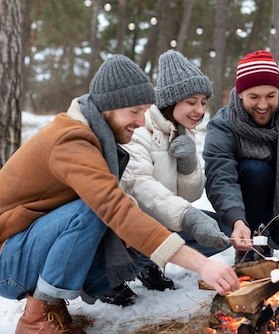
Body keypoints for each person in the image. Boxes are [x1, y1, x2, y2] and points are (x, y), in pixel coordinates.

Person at [0, 55, 240, 334]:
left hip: (25, 248)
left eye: (144, 111)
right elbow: (110, 205)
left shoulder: (97, 135)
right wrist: (202, 264)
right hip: (5, 260)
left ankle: (52, 306)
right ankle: (36, 317)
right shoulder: (71, 140)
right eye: (134, 111)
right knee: (92, 210)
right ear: (107, 109)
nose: (140, 122)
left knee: (128, 235)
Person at [102, 50, 239, 306]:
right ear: (170, 101)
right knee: (187, 222)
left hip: (159, 217)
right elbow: (140, 187)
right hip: (124, 223)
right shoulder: (138, 130)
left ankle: (150, 263)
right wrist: (188, 216)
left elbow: (188, 196)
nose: (199, 110)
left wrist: (187, 168)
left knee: (222, 230)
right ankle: (110, 277)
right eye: (191, 102)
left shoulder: (181, 131)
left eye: (203, 102)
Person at [202, 50, 279, 263]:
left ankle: (266, 242)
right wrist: (236, 220)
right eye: (254, 97)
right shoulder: (222, 124)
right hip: (244, 199)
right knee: (256, 169)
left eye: (270, 96)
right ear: (240, 93)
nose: (263, 105)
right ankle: (246, 244)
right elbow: (220, 179)